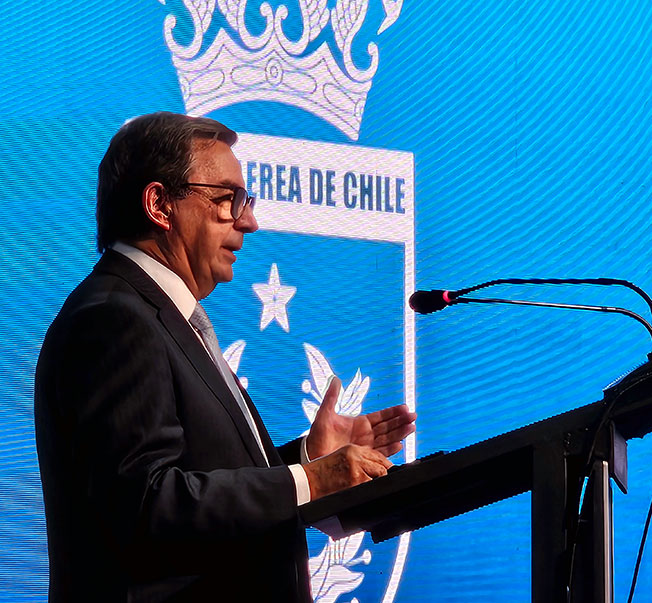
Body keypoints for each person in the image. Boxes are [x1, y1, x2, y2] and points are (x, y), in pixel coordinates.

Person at [33, 112, 416, 602]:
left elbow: (199, 482)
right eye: (227, 199)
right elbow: (146, 504)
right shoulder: (114, 319)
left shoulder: (160, 316)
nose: (249, 221)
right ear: (160, 205)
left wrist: (307, 460)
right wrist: (310, 481)